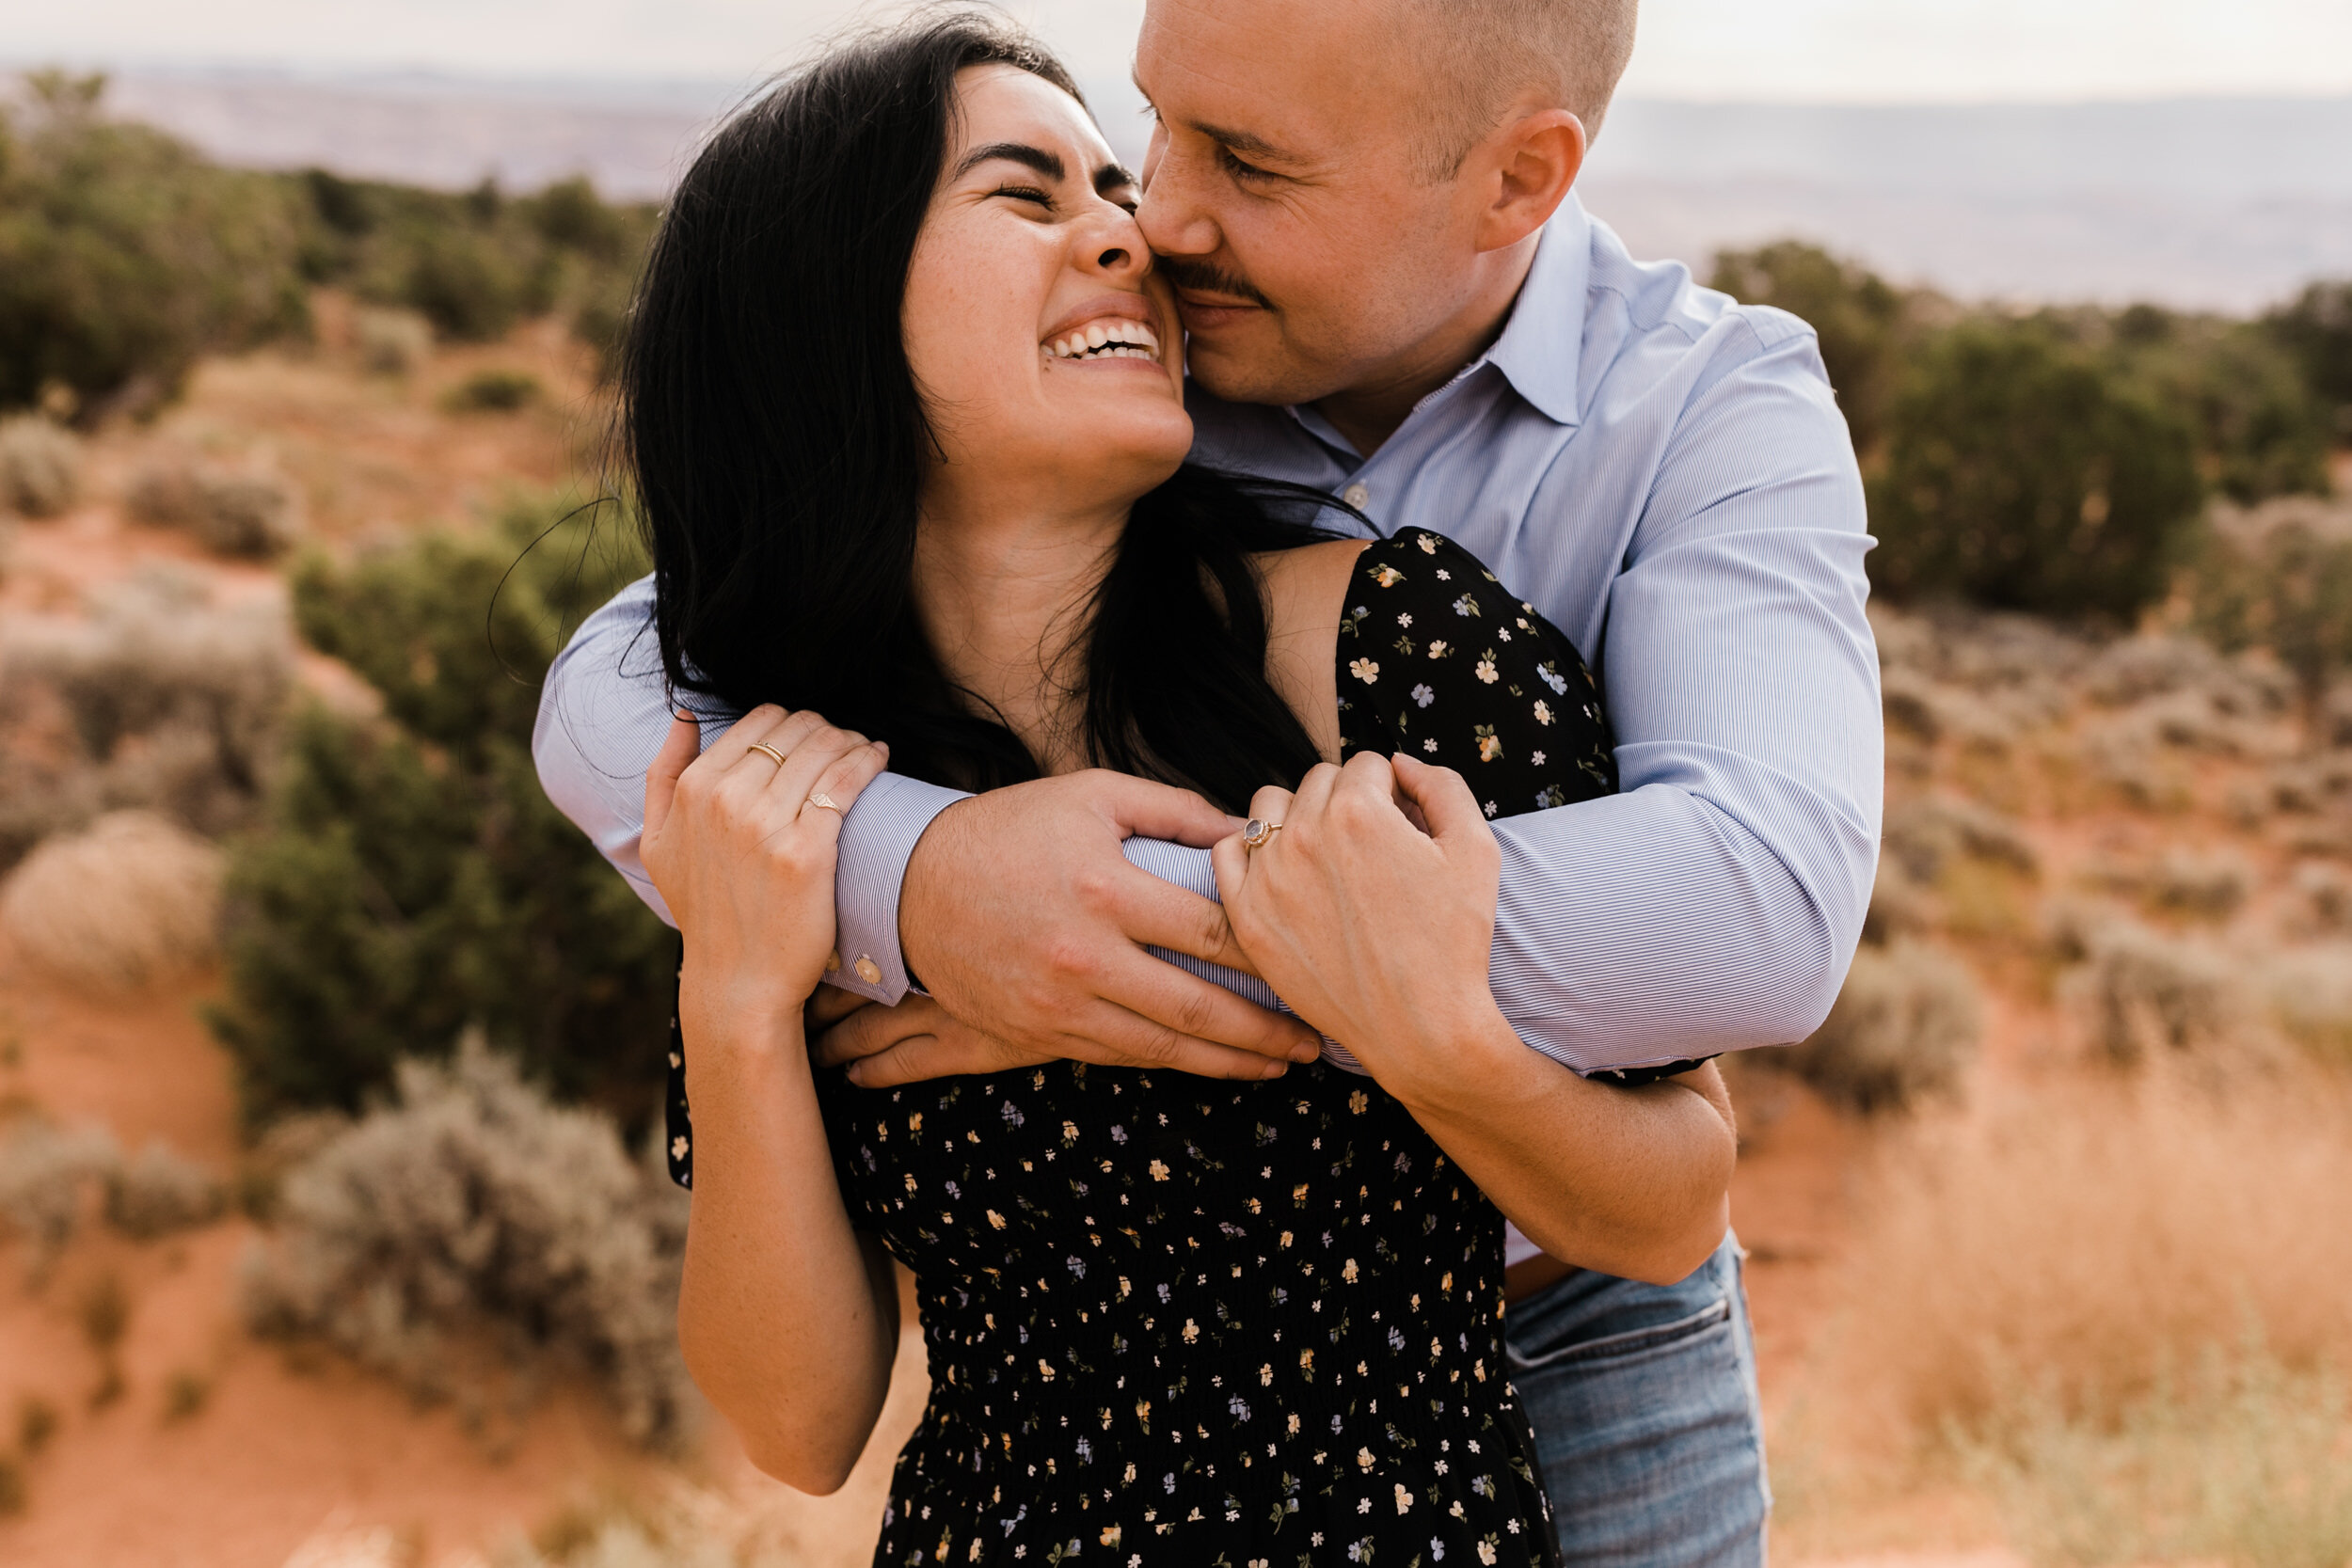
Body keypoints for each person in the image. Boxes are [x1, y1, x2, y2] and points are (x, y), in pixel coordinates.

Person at [538, 1, 1883, 1561]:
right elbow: (613, 690)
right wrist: (905, 887)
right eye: (1140, 140)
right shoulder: (816, 755)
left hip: (1553, 1340)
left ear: (1519, 182)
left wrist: (1111, 930)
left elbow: (1762, 922)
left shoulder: (1610, 483)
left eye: (1241, 161)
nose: (1153, 222)